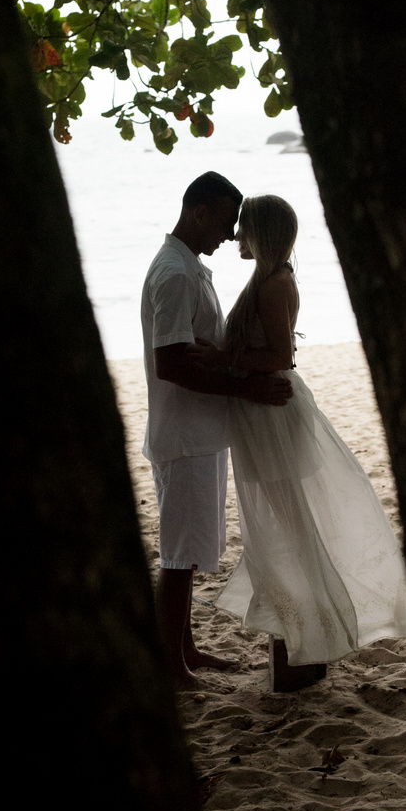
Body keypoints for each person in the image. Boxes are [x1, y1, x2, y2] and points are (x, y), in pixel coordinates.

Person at [192, 194, 406, 677]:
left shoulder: (275, 284)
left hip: (273, 417)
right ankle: (307, 635)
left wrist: (221, 358)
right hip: (260, 416)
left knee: (291, 530)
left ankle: (316, 637)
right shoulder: (266, 279)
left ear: (262, 233)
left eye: (244, 228)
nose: (236, 236)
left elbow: (281, 357)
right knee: (285, 529)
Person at [141, 173, 293, 689]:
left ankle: (185, 649)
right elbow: (171, 365)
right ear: (199, 212)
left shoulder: (189, 267)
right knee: (179, 555)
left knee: (187, 549)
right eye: (226, 222)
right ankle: (172, 664)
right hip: (186, 435)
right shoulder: (176, 273)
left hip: (200, 431)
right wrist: (248, 390)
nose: (231, 234)